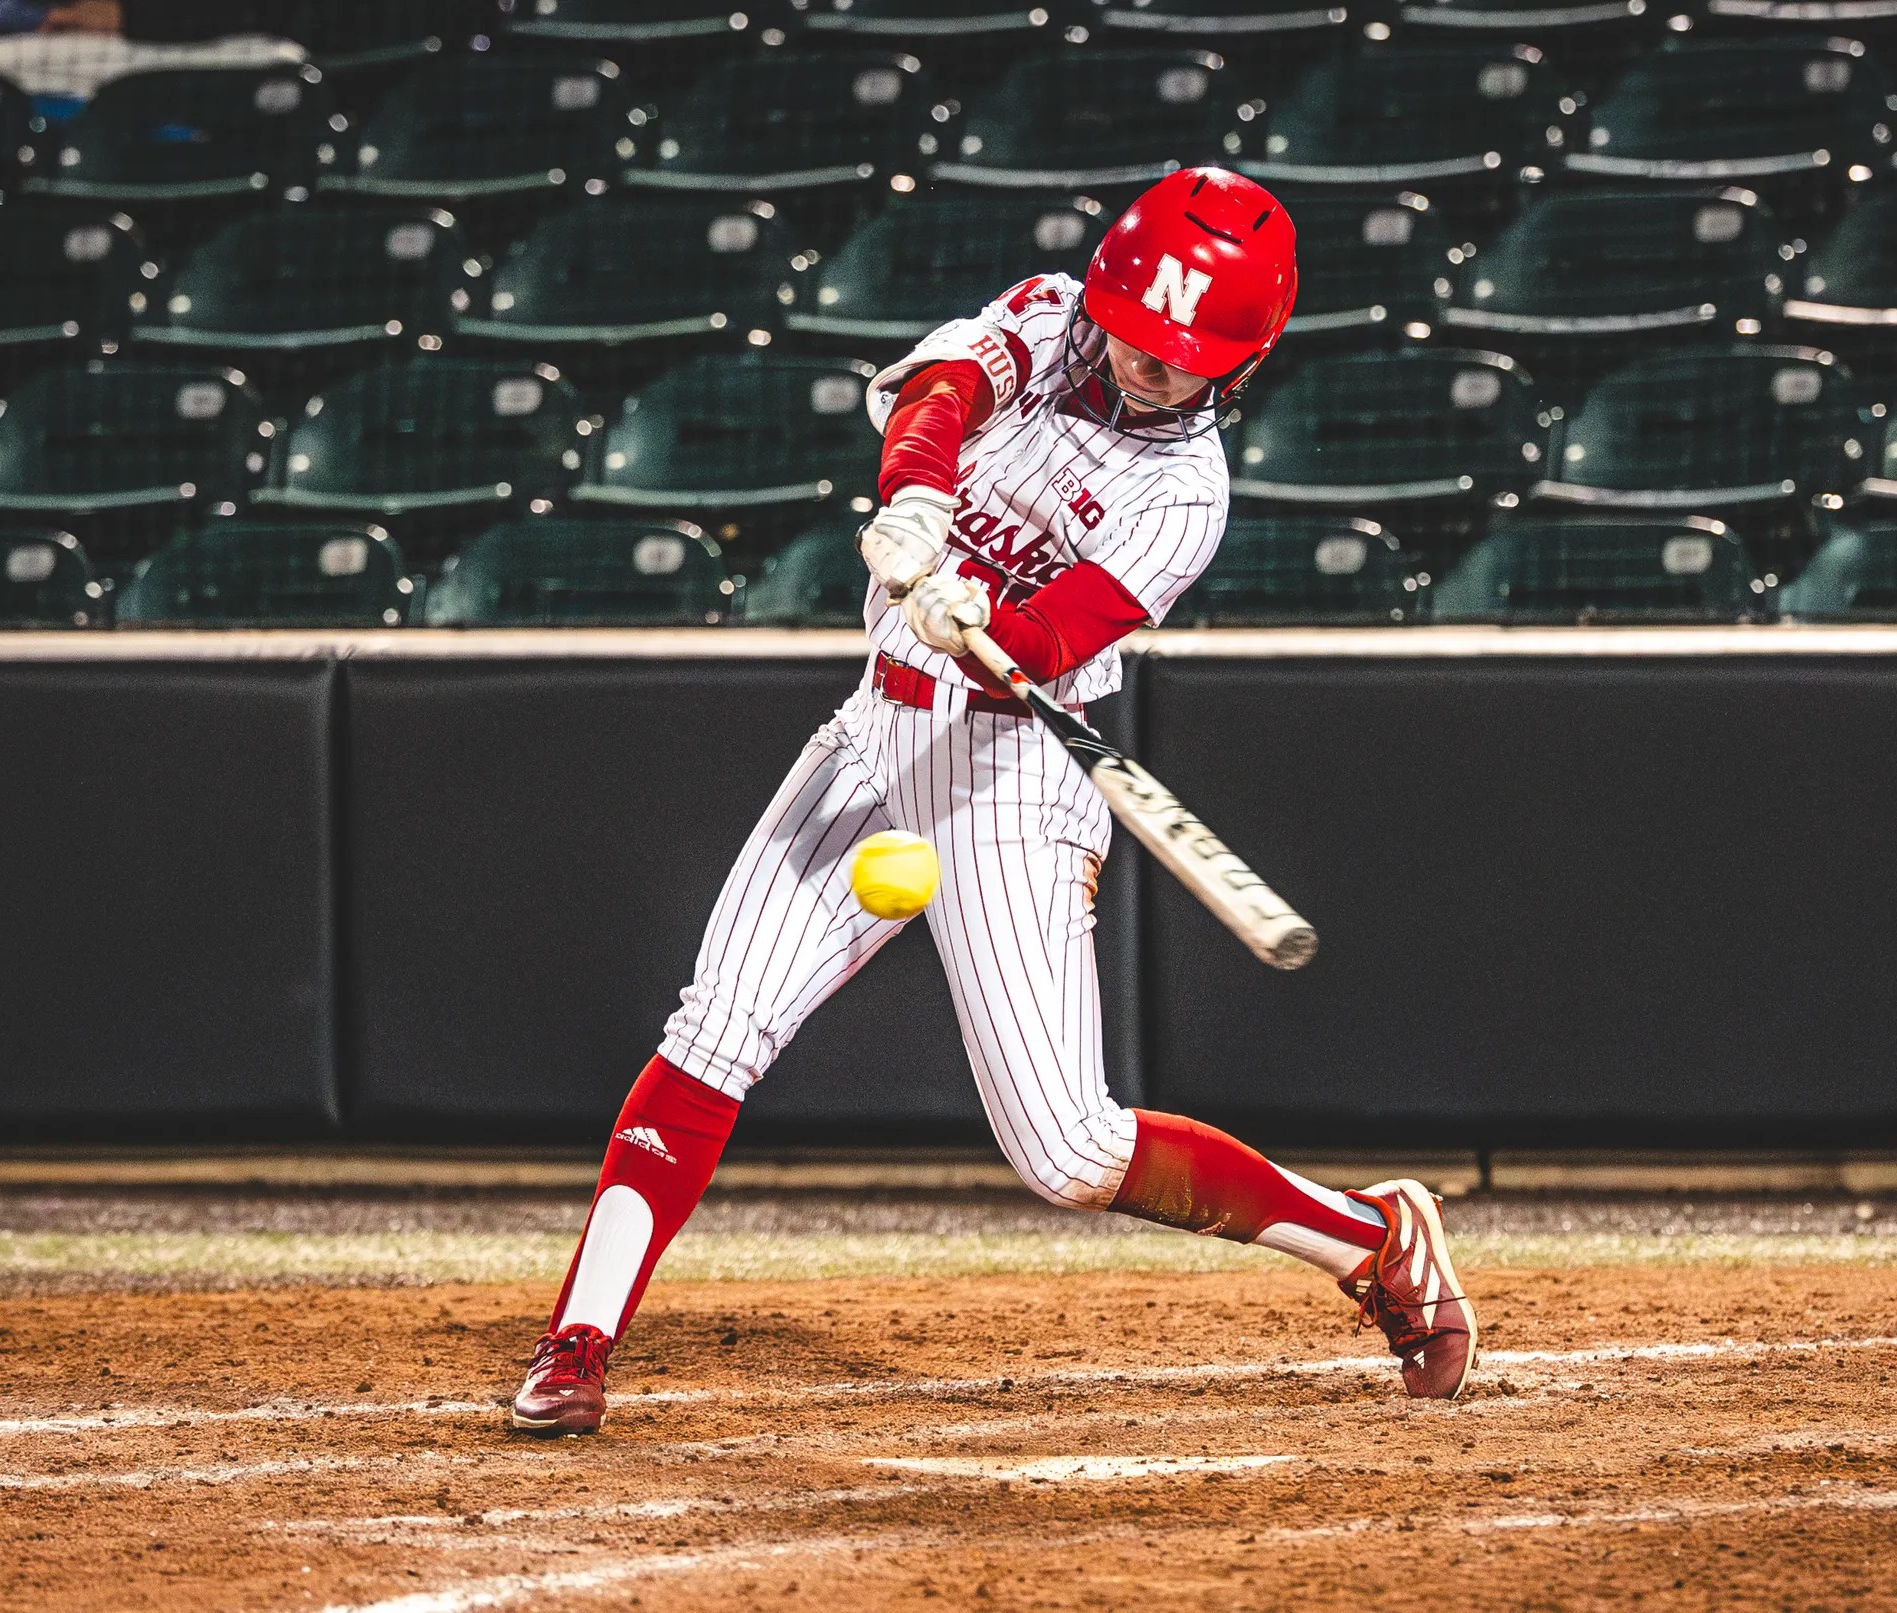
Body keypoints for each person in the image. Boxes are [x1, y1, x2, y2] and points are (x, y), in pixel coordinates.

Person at [506, 169, 1479, 1436]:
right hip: (874, 739)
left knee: (1067, 1151)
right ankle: (578, 1340)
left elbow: (1064, 628)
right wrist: (916, 501)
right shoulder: (1043, 311)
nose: (1147, 370)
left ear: (1241, 366)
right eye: (1136, 336)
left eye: (1184, 363)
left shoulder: (1184, 496)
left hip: (1008, 772)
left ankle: (1372, 1236)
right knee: (716, 1026)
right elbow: (940, 392)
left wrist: (980, 629)